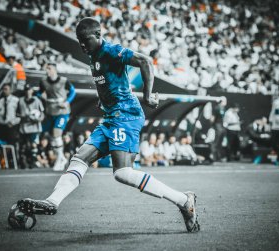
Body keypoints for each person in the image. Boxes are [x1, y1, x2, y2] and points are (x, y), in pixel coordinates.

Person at [17, 17, 199, 233]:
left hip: (126, 114)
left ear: (98, 36)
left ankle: (183, 200)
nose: (82, 45)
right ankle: (52, 201)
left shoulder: (112, 50)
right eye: (79, 41)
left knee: (122, 172)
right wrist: (103, 100)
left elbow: (145, 61)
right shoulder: (93, 55)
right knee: (79, 158)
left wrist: (148, 96)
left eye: (85, 40)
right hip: (111, 117)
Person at [39, 62, 76, 171]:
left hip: (62, 111)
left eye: (49, 68)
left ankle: (60, 158)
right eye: (46, 69)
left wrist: (66, 102)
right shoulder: (43, 81)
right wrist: (40, 96)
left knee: (56, 132)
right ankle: (61, 158)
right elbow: (39, 93)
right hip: (50, 112)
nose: (47, 71)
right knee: (52, 136)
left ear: (55, 70)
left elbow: (73, 92)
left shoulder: (64, 81)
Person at [17, 83, 45, 169]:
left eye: (29, 90)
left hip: (34, 127)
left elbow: (42, 113)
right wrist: (23, 116)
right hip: (24, 127)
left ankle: (32, 162)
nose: (28, 92)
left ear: (32, 91)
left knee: (33, 145)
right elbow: (17, 113)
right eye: (26, 90)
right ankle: (23, 163)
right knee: (24, 146)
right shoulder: (20, 100)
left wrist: (38, 119)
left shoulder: (37, 100)